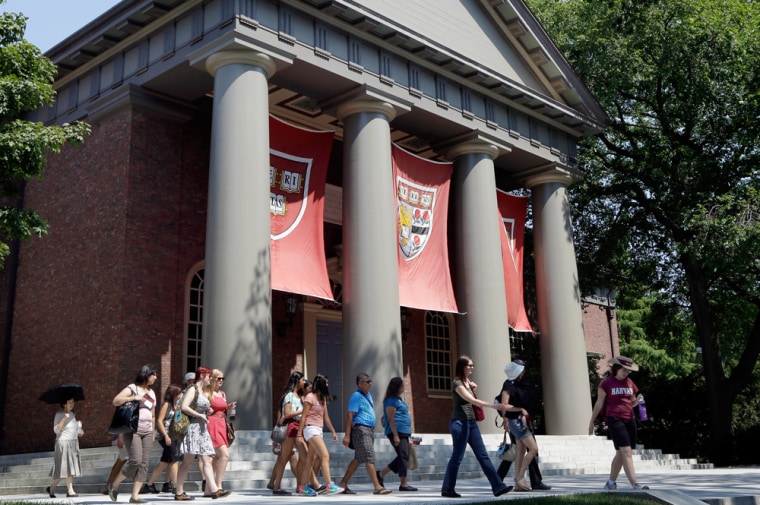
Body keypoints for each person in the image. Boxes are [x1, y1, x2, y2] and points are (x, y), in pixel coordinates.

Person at [440, 355, 512, 499]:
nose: (472, 368)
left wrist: (473, 387)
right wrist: (494, 406)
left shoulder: (468, 382)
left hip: (471, 423)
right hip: (459, 424)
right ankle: (447, 489)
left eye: (473, 365)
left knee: (483, 455)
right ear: (462, 367)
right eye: (469, 366)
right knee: (457, 457)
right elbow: (471, 400)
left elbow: (471, 398)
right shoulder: (457, 384)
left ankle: (498, 487)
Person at [589, 356, 650, 491]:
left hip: (630, 419)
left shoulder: (630, 383)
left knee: (621, 453)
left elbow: (631, 403)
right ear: (616, 368)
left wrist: (638, 400)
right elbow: (599, 404)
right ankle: (635, 485)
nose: (626, 373)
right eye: (624, 370)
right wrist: (591, 422)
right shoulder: (606, 383)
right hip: (614, 419)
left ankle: (611, 483)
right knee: (626, 452)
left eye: (628, 371)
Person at [173, 366, 231, 501]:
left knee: (207, 459)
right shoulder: (193, 389)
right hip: (193, 428)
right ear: (203, 376)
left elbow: (201, 407)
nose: (210, 379)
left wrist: (208, 411)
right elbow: (184, 407)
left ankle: (214, 490)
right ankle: (179, 491)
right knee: (188, 461)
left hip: (202, 428)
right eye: (209, 377)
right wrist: (200, 415)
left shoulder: (200, 390)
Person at [497, 359, 550, 492]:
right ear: (517, 371)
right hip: (516, 421)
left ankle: (518, 484)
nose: (524, 371)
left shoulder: (520, 383)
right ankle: (519, 478)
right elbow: (504, 405)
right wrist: (518, 410)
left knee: (520, 451)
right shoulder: (508, 384)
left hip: (521, 421)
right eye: (522, 369)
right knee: (533, 449)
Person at [109, 365, 158, 504]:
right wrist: (134, 397)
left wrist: (153, 432)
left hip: (147, 431)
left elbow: (153, 415)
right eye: (154, 374)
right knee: (135, 461)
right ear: (146, 375)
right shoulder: (132, 388)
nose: (156, 377)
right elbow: (115, 401)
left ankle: (134, 496)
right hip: (132, 430)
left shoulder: (152, 393)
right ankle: (116, 484)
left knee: (144, 464)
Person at [337, 373, 389, 495]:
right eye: (367, 382)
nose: (370, 384)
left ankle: (343, 484)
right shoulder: (356, 396)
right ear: (360, 383)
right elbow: (350, 416)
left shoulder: (368, 395)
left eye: (370, 381)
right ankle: (377, 487)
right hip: (361, 430)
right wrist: (347, 435)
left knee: (358, 458)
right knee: (369, 456)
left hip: (369, 429)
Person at [296, 374, 344, 496]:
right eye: (326, 383)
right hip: (310, 429)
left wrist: (333, 431)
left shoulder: (323, 398)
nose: (327, 385)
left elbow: (326, 417)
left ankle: (303, 487)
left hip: (319, 429)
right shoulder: (310, 397)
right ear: (321, 383)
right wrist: (299, 435)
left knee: (309, 459)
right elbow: (304, 417)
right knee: (325, 455)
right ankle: (330, 485)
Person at [377, 377, 417, 492]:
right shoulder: (390, 401)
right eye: (402, 386)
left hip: (404, 432)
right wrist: (395, 435)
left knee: (403, 456)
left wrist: (409, 434)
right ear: (397, 387)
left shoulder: (398, 399)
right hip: (397, 432)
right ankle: (403, 484)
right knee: (404, 456)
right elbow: (390, 418)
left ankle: (381, 474)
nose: (404, 388)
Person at [270, 371, 306, 496]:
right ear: (296, 381)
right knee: (284, 458)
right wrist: (302, 410)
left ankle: (301, 486)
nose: (304, 382)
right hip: (291, 427)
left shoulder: (299, 396)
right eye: (302, 380)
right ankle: (276, 487)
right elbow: (287, 413)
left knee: (304, 456)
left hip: (299, 428)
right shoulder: (289, 395)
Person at [142, 385, 182, 495]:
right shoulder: (166, 404)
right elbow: (159, 421)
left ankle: (149, 485)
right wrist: (166, 436)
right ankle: (176, 487)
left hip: (173, 435)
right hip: (165, 435)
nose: (180, 395)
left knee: (164, 461)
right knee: (174, 459)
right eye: (178, 393)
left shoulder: (176, 405)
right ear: (173, 394)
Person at [47, 397, 83, 498]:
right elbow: (56, 430)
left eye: (73, 402)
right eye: (70, 402)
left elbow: (73, 430)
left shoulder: (73, 414)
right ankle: (70, 490)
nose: (72, 404)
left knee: (64, 469)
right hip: (63, 443)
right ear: (64, 404)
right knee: (67, 467)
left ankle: (51, 488)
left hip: (73, 443)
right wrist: (64, 418)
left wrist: (79, 432)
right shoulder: (59, 414)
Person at [208, 369, 236, 493]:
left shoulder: (223, 394)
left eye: (222, 379)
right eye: (218, 378)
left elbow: (222, 410)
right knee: (224, 455)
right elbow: (205, 409)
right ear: (212, 379)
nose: (221, 381)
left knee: (216, 458)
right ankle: (218, 486)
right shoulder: (207, 393)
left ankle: (208, 489)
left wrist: (228, 408)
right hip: (211, 423)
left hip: (221, 424)